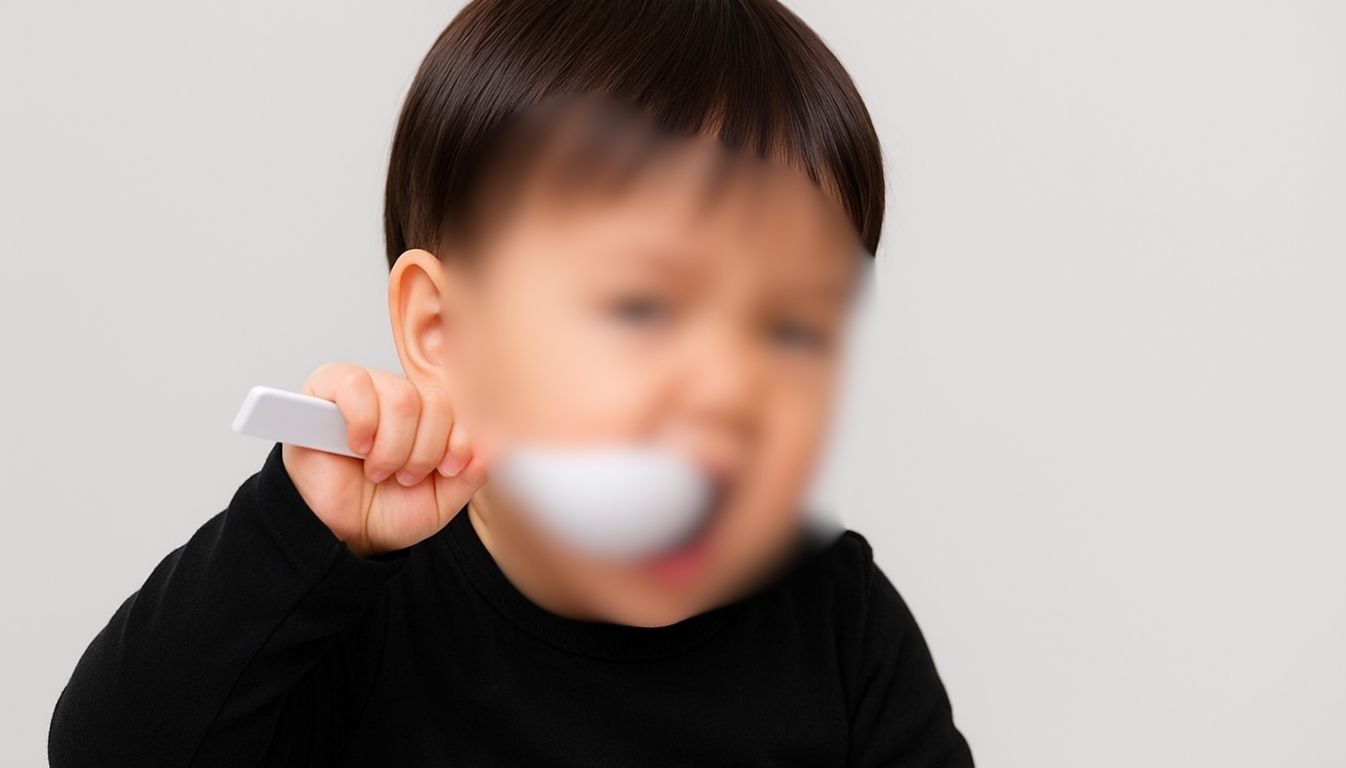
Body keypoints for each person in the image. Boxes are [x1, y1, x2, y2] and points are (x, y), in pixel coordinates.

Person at [49, 1, 974, 765]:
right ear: (442, 333)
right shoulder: (355, 622)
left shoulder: (837, 623)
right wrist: (298, 532)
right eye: (643, 307)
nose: (730, 388)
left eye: (795, 328)